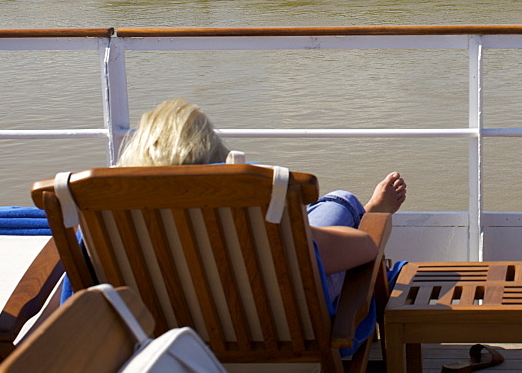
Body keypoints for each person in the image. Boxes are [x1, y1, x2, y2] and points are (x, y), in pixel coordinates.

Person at [118, 98, 407, 300]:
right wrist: (372, 223)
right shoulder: (245, 216)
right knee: (340, 205)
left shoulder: (106, 228)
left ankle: (333, 215)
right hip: (280, 332)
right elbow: (366, 248)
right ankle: (361, 212)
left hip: (166, 345)